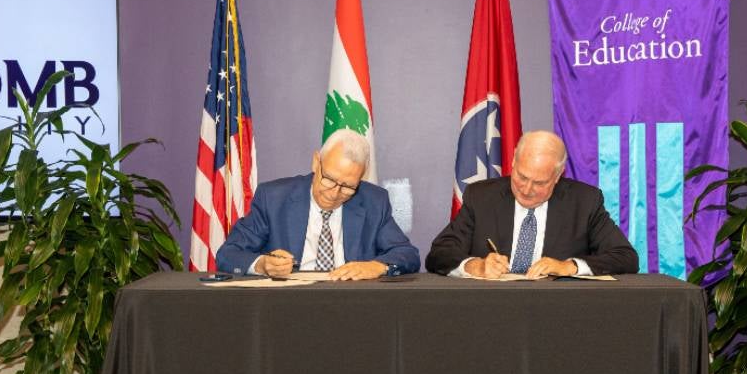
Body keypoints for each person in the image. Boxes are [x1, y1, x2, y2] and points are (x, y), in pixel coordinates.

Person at [426, 130, 638, 278]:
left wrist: (569, 267)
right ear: (513, 163)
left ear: (557, 176)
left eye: (539, 183)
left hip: (558, 313)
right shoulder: (481, 197)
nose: (527, 189)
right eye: (521, 177)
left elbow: (625, 257)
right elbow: (439, 253)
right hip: (490, 309)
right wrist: (475, 266)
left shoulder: (584, 202)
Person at [217, 129, 419, 280]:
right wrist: (262, 265)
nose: (335, 193)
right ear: (316, 162)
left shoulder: (374, 201)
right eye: (329, 179)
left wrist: (378, 266)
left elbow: (408, 254)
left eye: (348, 187)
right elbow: (228, 254)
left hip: (352, 305)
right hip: (287, 307)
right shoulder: (274, 198)